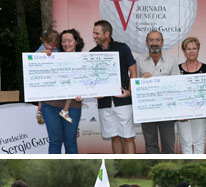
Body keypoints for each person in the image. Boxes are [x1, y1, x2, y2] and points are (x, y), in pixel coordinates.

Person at [90, 20, 136, 154]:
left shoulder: (122, 48)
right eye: (94, 33)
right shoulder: (92, 53)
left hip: (123, 101)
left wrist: (129, 92)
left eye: (97, 33)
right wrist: (94, 92)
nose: (94, 36)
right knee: (114, 137)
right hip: (104, 103)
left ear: (107, 33)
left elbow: (133, 71)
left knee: (127, 138)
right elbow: (91, 79)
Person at [136, 31, 180, 154]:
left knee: (169, 146)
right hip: (147, 109)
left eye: (157, 40)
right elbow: (132, 84)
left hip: (167, 110)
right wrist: (141, 81)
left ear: (162, 42)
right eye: (151, 40)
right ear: (146, 42)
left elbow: (177, 85)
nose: (154, 43)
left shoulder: (171, 60)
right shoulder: (139, 60)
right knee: (151, 146)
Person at [41, 28, 85, 154]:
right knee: (55, 141)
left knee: (70, 141)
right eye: (63, 41)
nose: (66, 44)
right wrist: (40, 57)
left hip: (73, 107)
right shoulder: (52, 57)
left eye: (69, 41)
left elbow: (89, 83)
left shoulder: (85, 59)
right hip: (50, 106)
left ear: (76, 41)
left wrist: (84, 93)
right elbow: (35, 67)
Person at [177, 37, 206, 154]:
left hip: (200, 113)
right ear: (184, 51)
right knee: (185, 142)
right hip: (182, 114)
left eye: (194, 48)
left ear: (198, 50)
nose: (191, 51)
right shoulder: (177, 69)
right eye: (188, 49)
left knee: (199, 142)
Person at [35, 30, 60, 125]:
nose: (53, 47)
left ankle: (41, 110)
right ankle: (39, 110)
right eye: (52, 45)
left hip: (53, 79)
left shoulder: (56, 50)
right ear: (44, 42)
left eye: (55, 45)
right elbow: (33, 58)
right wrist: (43, 53)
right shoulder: (41, 50)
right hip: (43, 78)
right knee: (41, 96)